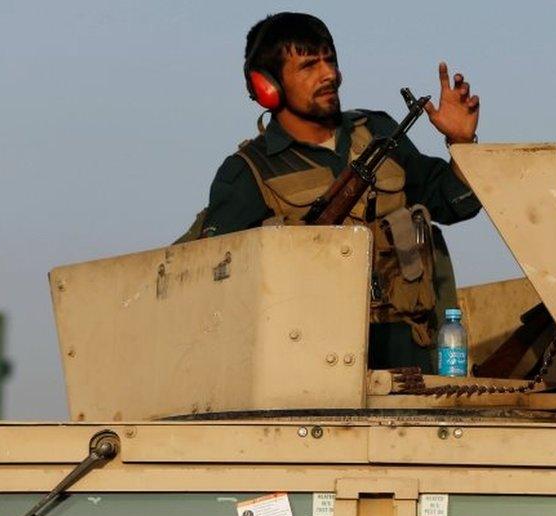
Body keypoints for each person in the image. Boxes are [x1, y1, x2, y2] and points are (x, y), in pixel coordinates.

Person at [198, 12, 482, 372]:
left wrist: (462, 143)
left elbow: (454, 203)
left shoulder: (378, 132)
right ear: (268, 86)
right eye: (308, 66)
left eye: (329, 59)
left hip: (410, 360)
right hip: (310, 367)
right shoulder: (247, 172)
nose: (328, 74)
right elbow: (216, 286)